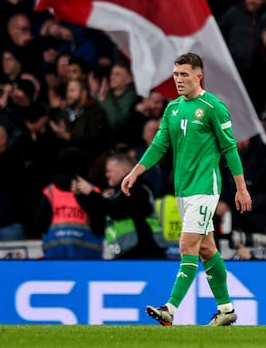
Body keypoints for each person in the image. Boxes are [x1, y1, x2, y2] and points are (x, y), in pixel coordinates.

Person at [120, 52, 253, 327]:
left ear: (198, 76)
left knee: (187, 245)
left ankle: (170, 308)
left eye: (184, 75)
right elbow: (159, 145)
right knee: (206, 249)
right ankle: (226, 309)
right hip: (183, 190)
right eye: (176, 74)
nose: (178, 80)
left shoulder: (213, 107)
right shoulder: (173, 108)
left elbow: (230, 149)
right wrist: (135, 171)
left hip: (205, 187)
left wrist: (241, 189)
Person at [74, 151, 166, 260]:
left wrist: (91, 193)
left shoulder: (138, 188)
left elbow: (117, 210)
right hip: (122, 255)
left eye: (109, 171)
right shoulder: (114, 195)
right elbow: (99, 224)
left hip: (145, 254)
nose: (106, 175)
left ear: (124, 171)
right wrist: (82, 197)